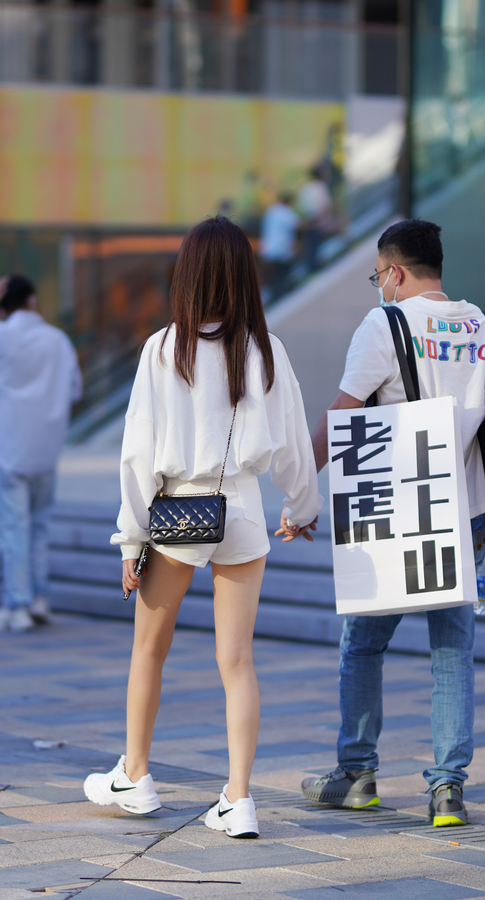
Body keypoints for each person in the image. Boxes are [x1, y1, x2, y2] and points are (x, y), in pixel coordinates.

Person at [83, 217, 321, 839]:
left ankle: (136, 775)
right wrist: (301, 507)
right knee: (237, 661)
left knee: (149, 649)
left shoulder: (164, 349)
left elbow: (137, 456)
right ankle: (238, 800)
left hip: (177, 514)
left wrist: (130, 539)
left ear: (186, 275)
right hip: (241, 509)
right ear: (244, 274)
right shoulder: (267, 349)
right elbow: (293, 443)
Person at [297, 219, 485, 827]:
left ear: (394, 272)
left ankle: (356, 774)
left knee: (363, 645)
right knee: (453, 653)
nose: (380, 286)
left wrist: (300, 489)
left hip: (394, 511)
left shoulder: (384, 324)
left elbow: (342, 413)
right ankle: (448, 790)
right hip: (467, 513)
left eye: (378, 275)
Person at [0, 275, 82, 633]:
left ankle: (17, 604)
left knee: (14, 529)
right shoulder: (57, 340)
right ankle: (39, 598)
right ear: (32, 301)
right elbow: (75, 389)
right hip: (47, 450)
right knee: (39, 526)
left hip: (9, 449)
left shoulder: (4, 337)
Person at [259, 193, 299, 302]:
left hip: (268, 249)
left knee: (273, 274)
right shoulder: (286, 212)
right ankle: (280, 292)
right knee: (281, 273)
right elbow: (296, 225)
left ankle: (274, 293)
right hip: (281, 249)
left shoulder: (271, 210)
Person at [297, 166, 334, 273]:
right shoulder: (320, 186)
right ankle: (314, 264)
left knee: (312, 243)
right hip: (319, 219)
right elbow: (325, 205)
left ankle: (312, 263)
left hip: (309, 219)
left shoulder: (305, 188)